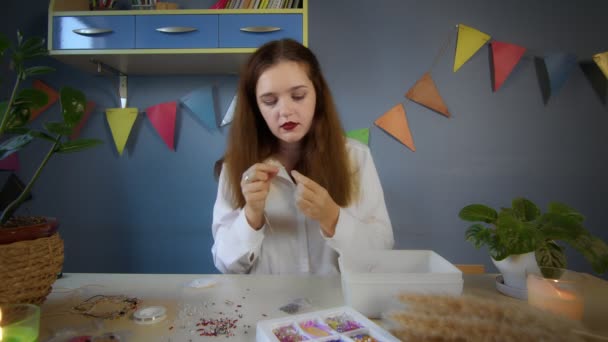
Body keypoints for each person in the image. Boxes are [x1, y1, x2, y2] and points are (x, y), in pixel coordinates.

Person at [211, 38, 394, 274]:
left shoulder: (355, 158)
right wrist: (251, 216)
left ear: (317, 95)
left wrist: (333, 217)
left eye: (298, 96)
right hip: (267, 308)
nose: (285, 111)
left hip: (338, 307)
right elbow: (226, 265)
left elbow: (381, 255)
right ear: (256, 108)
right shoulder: (235, 166)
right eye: (269, 101)